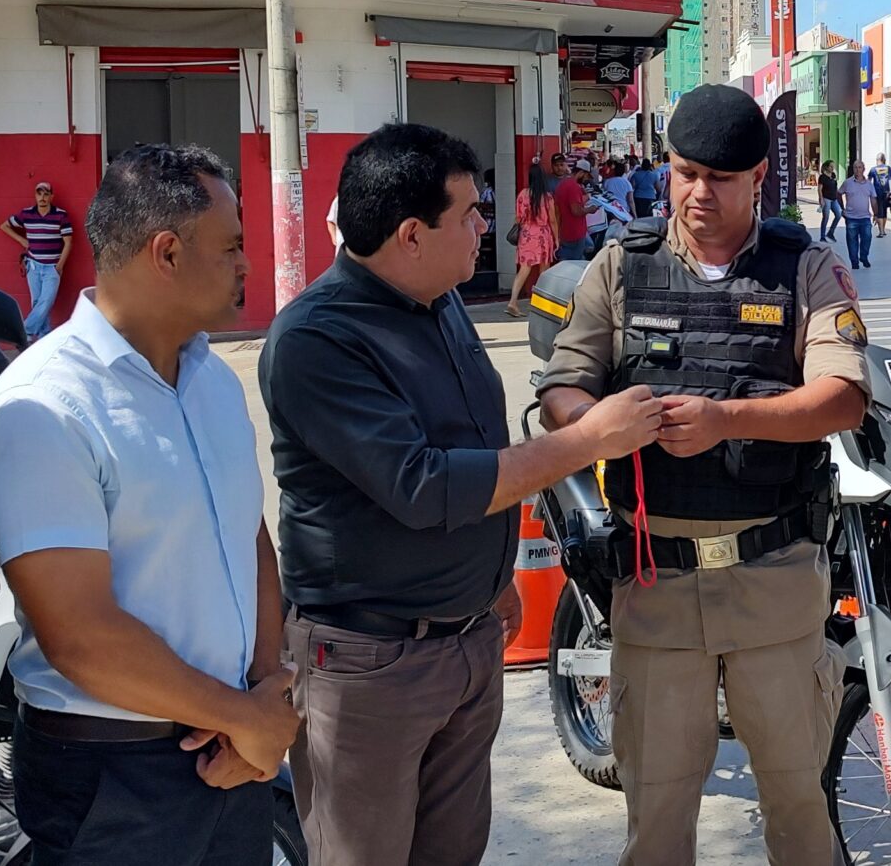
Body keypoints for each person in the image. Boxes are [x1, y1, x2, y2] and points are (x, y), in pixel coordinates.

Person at [261, 126, 664, 866]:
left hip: (466, 642)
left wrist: (492, 578)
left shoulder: (438, 300)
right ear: (411, 235)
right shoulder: (317, 340)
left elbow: (478, 439)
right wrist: (587, 441)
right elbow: (425, 485)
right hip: (371, 665)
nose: (488, 228)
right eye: (471, 214)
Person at [536, 84, 868, 866]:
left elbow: (842, 398)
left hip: (775, 583)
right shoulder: (622, 267)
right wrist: (601, 425)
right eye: (684, 173)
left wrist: (728, 420)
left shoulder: (804, 269)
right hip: (656, 587)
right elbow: (559, 387)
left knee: (797, 809)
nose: (696, 193)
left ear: (758, 177)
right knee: (656, 822)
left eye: (718, 178)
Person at [0, 145, 295, 865]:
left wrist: (266, 691)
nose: (249, 263)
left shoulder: (209, 374)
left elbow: (248, 536)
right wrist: (245, 717)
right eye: (234, 246)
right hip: (114, 782)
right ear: (168, 253)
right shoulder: (45, 406)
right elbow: (80, 636)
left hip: (232, 753)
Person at [1, 180, 75, 341]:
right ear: (35, 195)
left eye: (45, 194)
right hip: (33, 265)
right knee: (38, 303)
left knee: (46, 302)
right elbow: (4, 226)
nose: (42, 197)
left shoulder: (61, 215)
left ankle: (24, 331)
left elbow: (68, 242)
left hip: (52, 268)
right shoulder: (27, 214)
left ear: (51, 196)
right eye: (39, 194)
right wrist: (21, 240)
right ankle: (44, 337)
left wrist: (59, 266)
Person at [507, 161, 562, 319]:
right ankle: (539, 304)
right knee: (543, 270)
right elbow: (552, 220)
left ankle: (512, 301)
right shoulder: (547, 197)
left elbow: (518, 217)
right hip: (542, 234)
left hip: (526, 234)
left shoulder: (523, 194)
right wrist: (556, 238)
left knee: (524, 269)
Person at [838, 161, 878, 270]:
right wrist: (842, 209)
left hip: (865, 217)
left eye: (859, 167)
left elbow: (873, 200)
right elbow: (839, 193)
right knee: (852, 241)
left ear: (863, 169)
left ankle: (864, 257)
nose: (857, 169)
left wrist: (876, 214)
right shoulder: (847, 183)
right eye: (855, 167)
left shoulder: (869, 184)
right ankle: (854, 262)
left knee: (867, 238)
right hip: (851, 218)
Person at [553, 157, 594, 262]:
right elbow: (576, 211)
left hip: (565, 231)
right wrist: (590, 209)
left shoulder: (564, 183)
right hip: (574, 233)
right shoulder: (573, 187)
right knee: (574, 263)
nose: (586, 179)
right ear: (581, 172)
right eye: (586, 176)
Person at [816, 160, 844, 241]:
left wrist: (838, 197)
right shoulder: (822, 177)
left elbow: (835, 188)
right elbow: (819, 189)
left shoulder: (833, 175)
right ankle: (822, 236)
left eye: (833, 166)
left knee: (838, 215)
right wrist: (821, 199)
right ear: (827, 167)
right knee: (826, 217)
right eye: (831, 166)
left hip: (834, 199)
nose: (832, 168)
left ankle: (831, 232)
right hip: (826, 198)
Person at [869, 153, 891, 236]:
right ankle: (883, 229)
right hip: (886, 192)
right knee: (884, 211)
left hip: (877, 192)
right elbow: (890, 178)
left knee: (879, 211)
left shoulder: (873, 169)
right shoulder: (888, 168)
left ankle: (881, 231)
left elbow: (869, 180)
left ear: (877, 160)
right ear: (884, 159)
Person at [630, 153, 662, 217]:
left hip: (638, 198)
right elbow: (659, 189)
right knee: (649, 216)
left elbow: (631, 188)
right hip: (650, 198)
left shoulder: (635, 175)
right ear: (649, 166)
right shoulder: (654, 175)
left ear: (642, 165)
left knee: (640, 216)